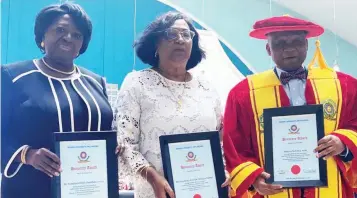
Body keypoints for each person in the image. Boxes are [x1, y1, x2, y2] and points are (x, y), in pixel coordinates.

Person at [223, 15, 357, 198]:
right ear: (268, 49)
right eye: (279, 43)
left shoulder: (344, 85)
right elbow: (235, 145)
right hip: (274, 191)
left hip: (331, 189)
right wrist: (254, 179)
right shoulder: (244, 93)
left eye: (296, 41)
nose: (289, 49)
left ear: (307, 44)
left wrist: (343, 141)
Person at [1, 3, 114, 197]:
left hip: (88, 189)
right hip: (31, 188)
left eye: (77, 35)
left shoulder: (95, 82)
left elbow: (107, 133)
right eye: (60, 30)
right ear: (42, 35)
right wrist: (27, 154)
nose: (68, 37)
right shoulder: (12, 76)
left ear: (82, 45)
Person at [113, 11, 229, 198]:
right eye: (171, 34)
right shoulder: (137, 83)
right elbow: (125, 144)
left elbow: (219, 141)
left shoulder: (207, 88)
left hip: (203, 191)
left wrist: (224, 171)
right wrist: (152, 178)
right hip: (156, 192)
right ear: (156, 43)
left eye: (186, 35)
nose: (180, 40)